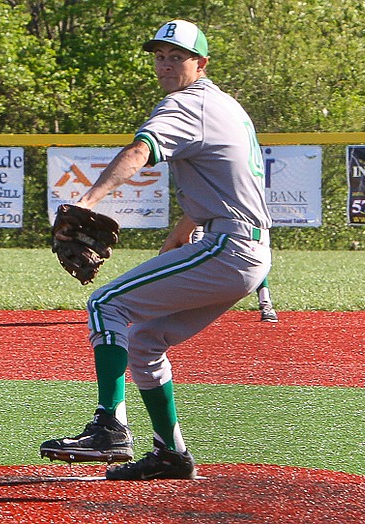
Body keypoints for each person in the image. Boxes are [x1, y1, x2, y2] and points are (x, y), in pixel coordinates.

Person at [39, 19, 272, 481]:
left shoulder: (186, 104)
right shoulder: (224, 106)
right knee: (145, 342)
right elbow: (229, 180)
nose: (165, 64)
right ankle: (171, 453)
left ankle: (109, 425)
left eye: (176, 57)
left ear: (200, 64)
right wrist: (185, 228)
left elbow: (140, 150)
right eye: (160, 56)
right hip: (243, 247)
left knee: (106, 303)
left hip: (228, 247)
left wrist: (86, 202)